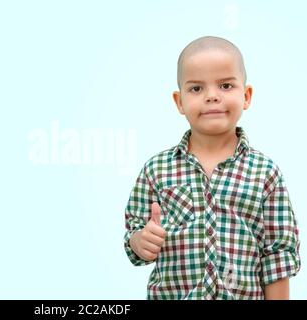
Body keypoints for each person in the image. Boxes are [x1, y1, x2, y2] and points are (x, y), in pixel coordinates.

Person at [123, 36, 301, 300]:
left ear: (246, 95)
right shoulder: (156, 170)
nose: (212, 96)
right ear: (179, 101)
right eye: (196, 89)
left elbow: (277, 256)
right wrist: (140, 242)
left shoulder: (265, 173)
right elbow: (134, 236)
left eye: (226, 85)